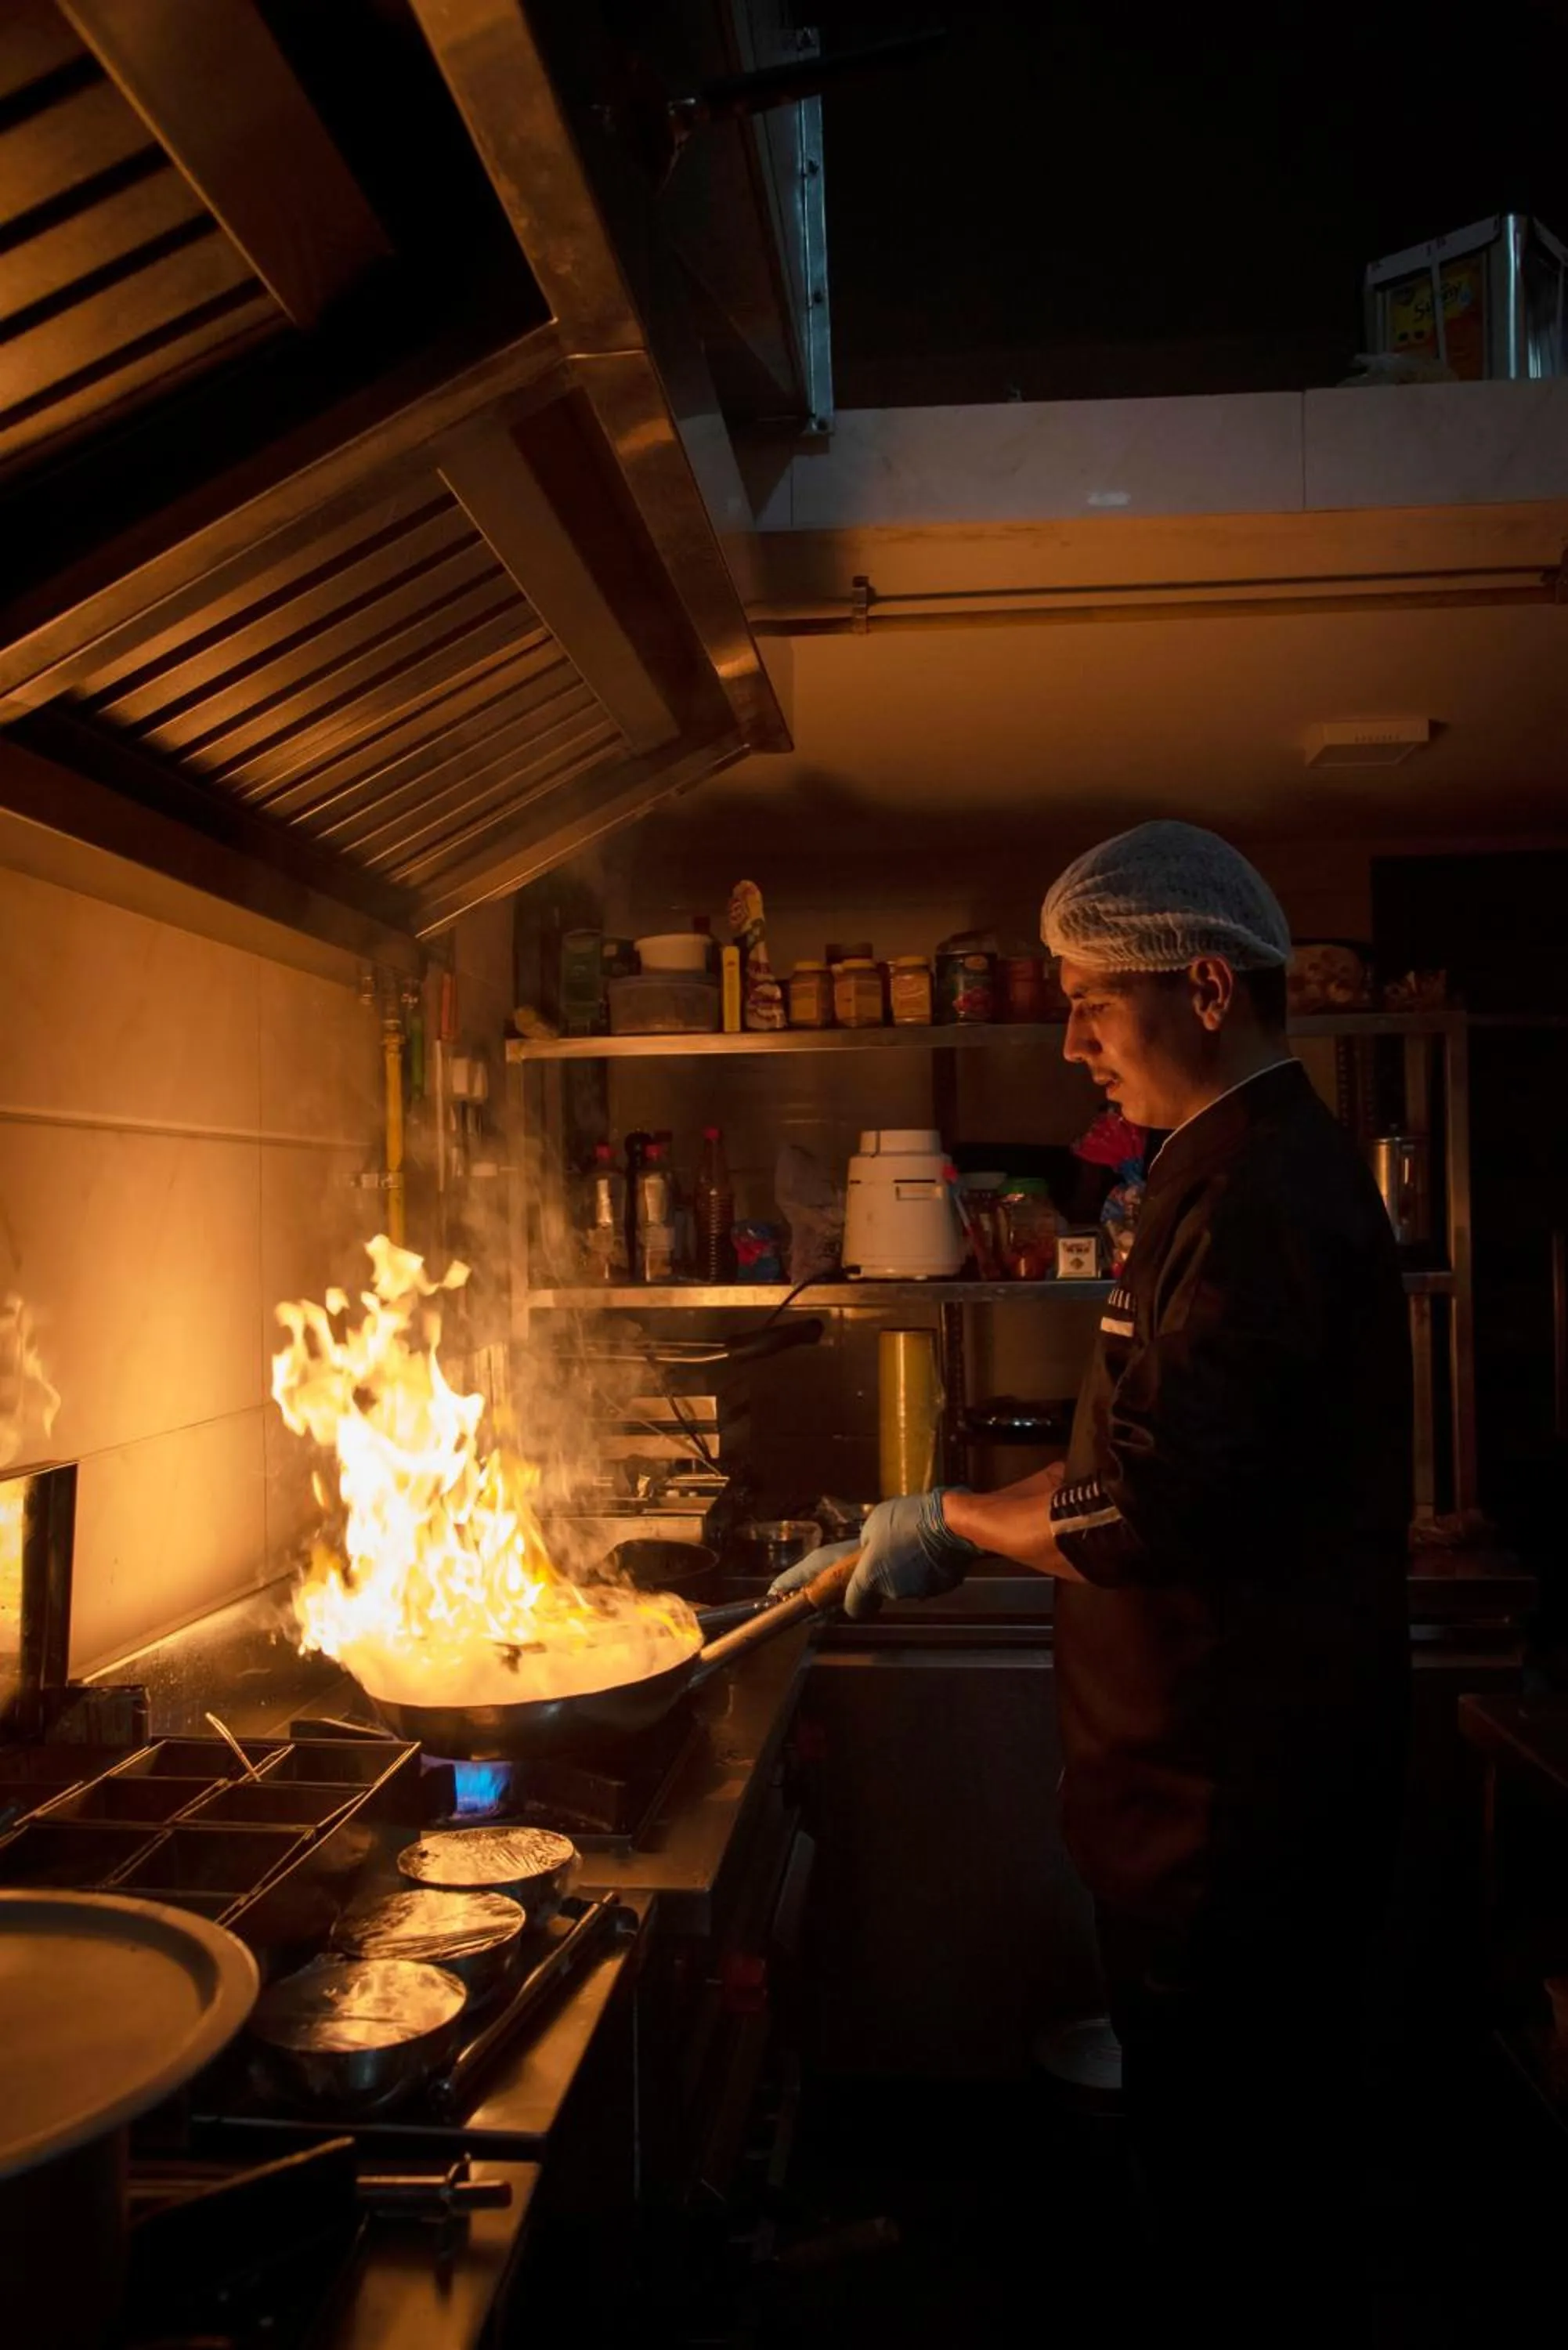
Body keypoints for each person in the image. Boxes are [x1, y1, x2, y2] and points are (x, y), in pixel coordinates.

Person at [774, 821, 1411, 2341]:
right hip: (1196, 1797)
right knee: (1219, 2182)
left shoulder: (1258, 1198)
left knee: (1233, 2214)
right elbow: (1141, 1457)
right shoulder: (1216, 1173)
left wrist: (944, 1521)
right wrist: (956, 1513)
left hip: (1232, 1812)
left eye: (1087, 1004)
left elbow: (1135, 1513)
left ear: (1201, 985)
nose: (1066, 1046)